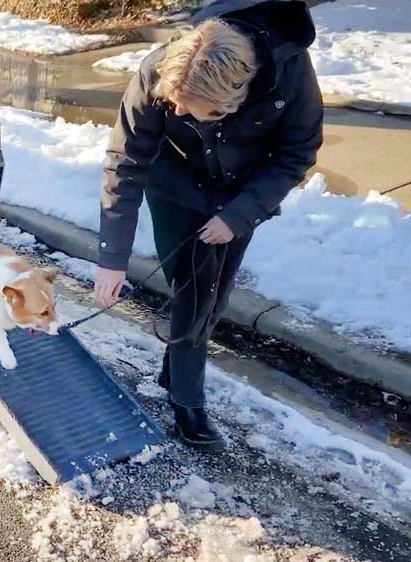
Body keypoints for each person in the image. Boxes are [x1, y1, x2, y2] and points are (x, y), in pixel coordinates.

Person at [94, 0, 323, 451]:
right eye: (173, 105)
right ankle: (186, 398)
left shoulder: (289, 73)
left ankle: (178, 378)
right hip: (175, 185)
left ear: (234, 99)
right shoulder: (157, 71)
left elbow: (298, 151)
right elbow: (125, 163)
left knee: (215, 293)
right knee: (194, 288)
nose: (177, 114)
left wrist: (238, 215)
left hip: (241, 190)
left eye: (192, 110)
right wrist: (112, 259)